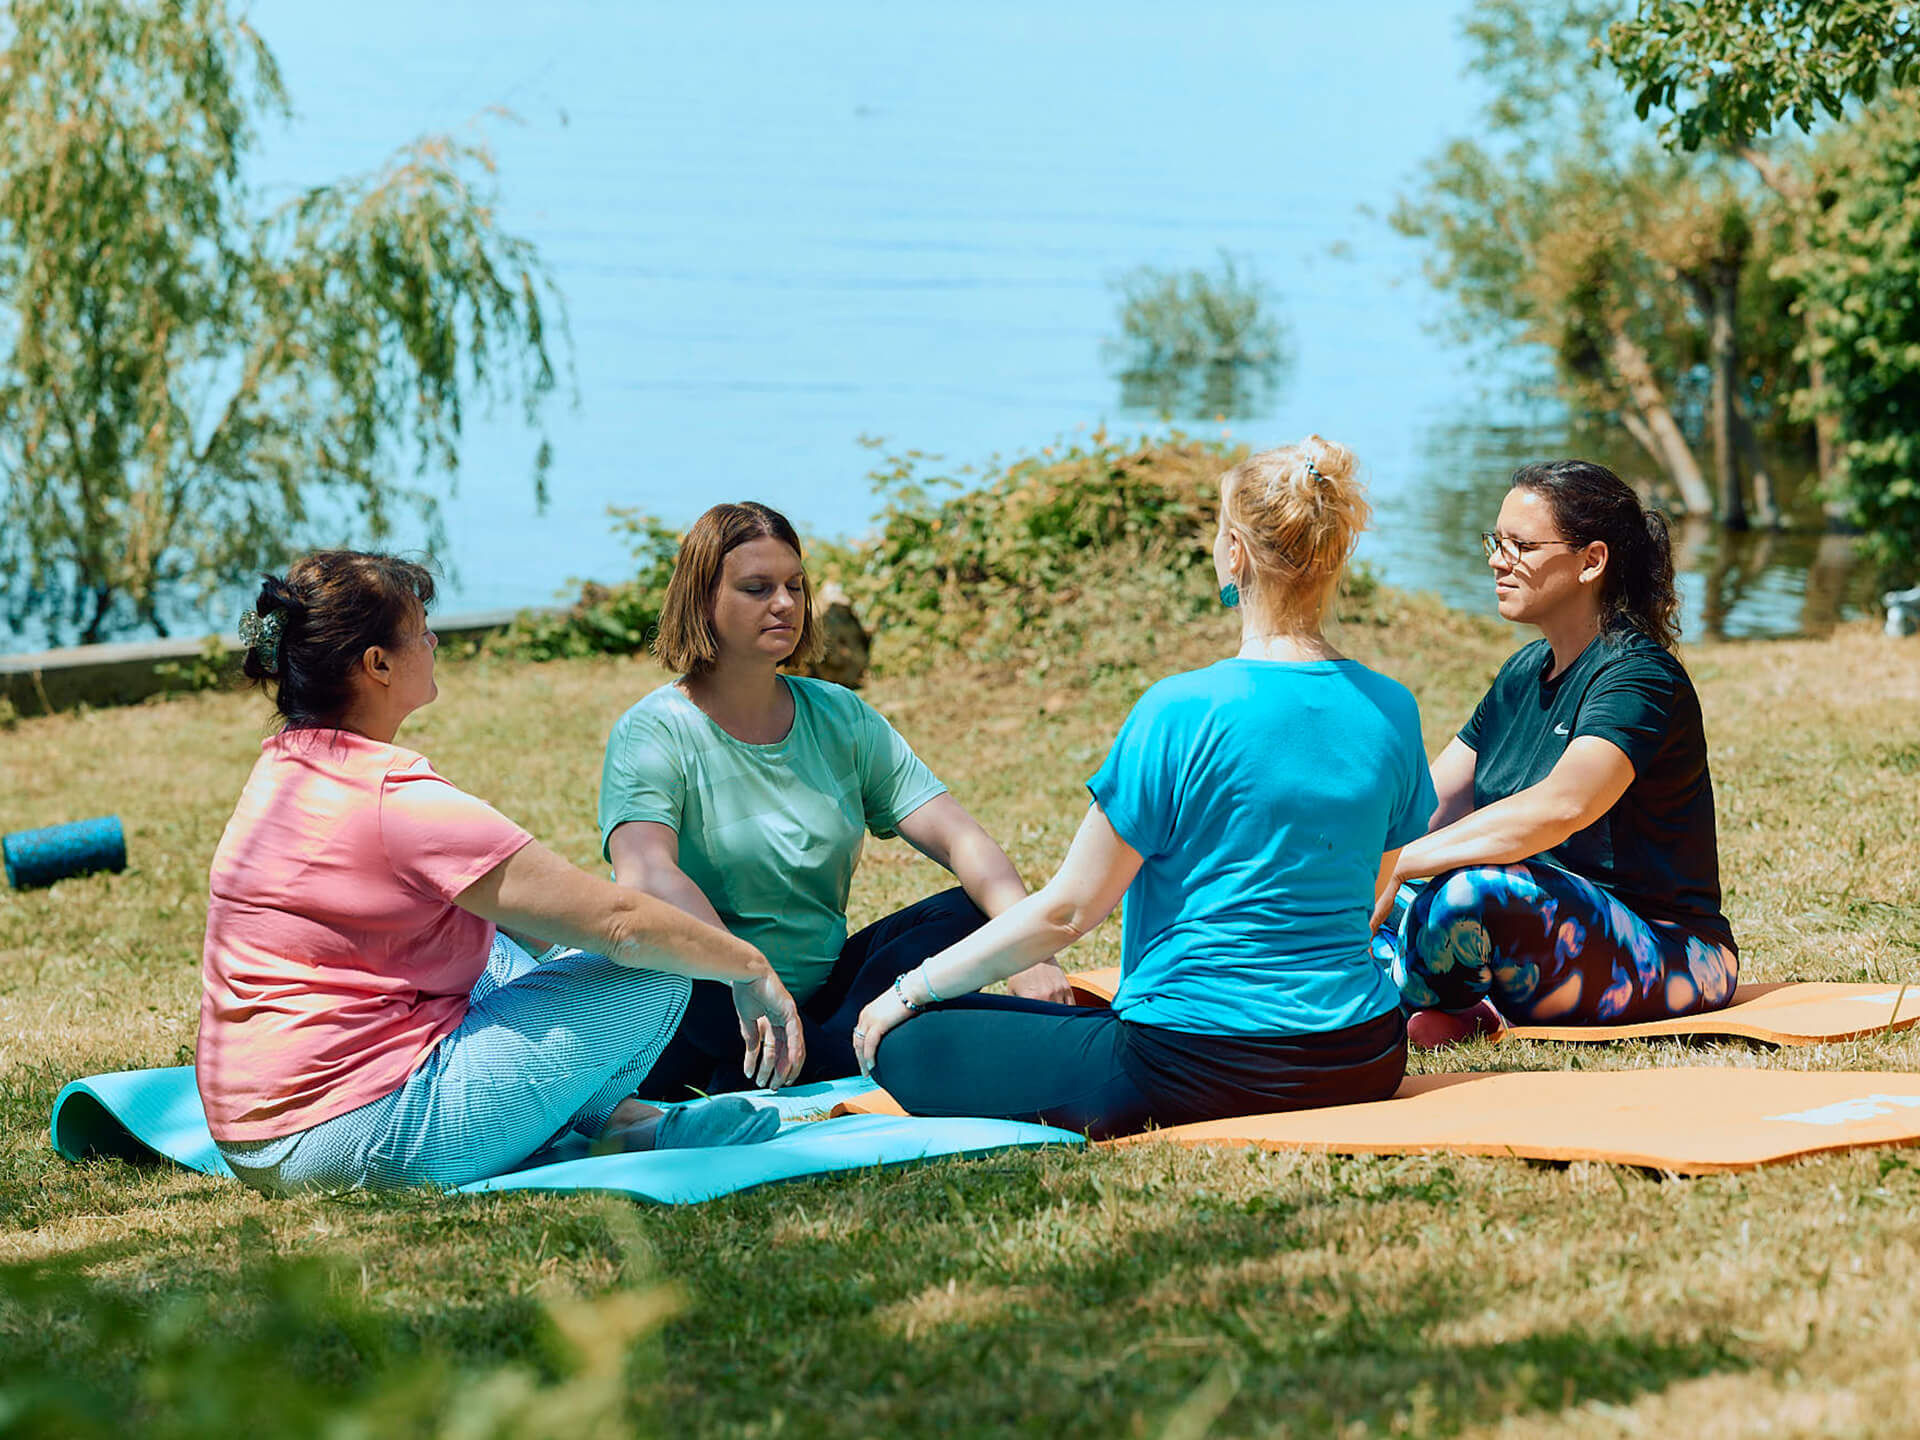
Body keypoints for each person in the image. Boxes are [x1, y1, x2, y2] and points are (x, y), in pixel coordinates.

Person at [850, 438, 1434, 1140]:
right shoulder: (1392, 708)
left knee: (909, 1043)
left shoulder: (1180, 710)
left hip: (1194, 1061)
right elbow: (1370, 900)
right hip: (1362, 1053)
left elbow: (1068, 910)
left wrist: (909, 991)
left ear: (1234, 554)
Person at [198, 551, 806, 1197]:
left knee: (489, 934)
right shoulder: (394, 800)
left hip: (258, 1132)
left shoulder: (285, 770)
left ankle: (613, 1121)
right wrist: (748, 966)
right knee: (657, 962)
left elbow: (538, 922)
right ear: (377, 664)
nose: (433, 641)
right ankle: (602, 1122)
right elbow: (619, 923)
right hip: (361, 1134)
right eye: (421, 628)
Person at [600, 502, 1070, 1099]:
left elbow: (960, 837)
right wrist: (748, 971)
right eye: (757, 588)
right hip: (706, 999)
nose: (786, 604)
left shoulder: (839, 716)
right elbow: (646, 874)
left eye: (796, 585)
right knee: (677, 974)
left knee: (973, 913)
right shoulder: (654, 731)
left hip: (825, 994)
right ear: (702, 600)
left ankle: (805, 1061)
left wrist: (1027, 946)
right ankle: (853, 1053)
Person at [1373, 460, 1738, 1047]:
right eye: (1497, 542)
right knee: (1345, 888)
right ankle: (1428, 997)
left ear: (1591, 561)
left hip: (1670, 952)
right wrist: (1347, 866)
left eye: (1521, 545)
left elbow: (1564, 805)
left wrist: (1403, 864)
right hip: (1538, 922)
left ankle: (1383, 995)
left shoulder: (1638, 676)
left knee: (1467, 895)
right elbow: (1425, 808)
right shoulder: (1521, 674)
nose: (1498, 559)